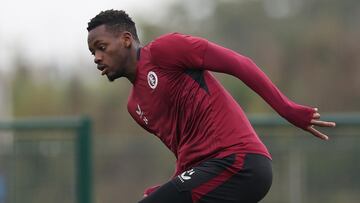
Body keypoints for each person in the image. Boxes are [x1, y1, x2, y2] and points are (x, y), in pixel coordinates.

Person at [87, 10, 336, 203]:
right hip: (213, 173)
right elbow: (187, 153)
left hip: (240, 162)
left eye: (101, 47)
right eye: (92, 52)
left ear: (127, 39)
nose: (97, 58)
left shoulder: (165, 51)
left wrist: (287, 109)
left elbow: (241, 63)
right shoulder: (135, 107)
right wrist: (168, 188)